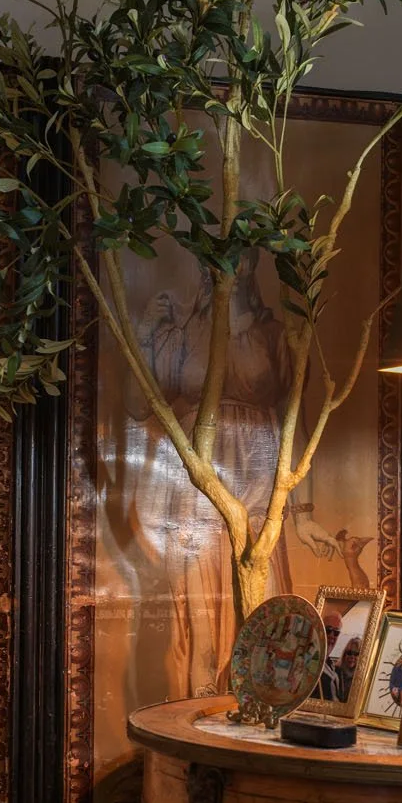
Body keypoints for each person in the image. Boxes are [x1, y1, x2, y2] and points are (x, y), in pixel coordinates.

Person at [126, 251, 338, 696]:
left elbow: (295, 424)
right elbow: (139, 405)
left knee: (263, 624)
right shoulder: (186, 333)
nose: (231, 270)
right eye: (220, 261)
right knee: (202, 632)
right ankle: (200, 722)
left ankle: (260, 720)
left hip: (258, 496)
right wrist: (145, 335)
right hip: (196, 496)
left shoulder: (274, 335)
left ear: (253, 266)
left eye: (241, 260)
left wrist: (302, 516)